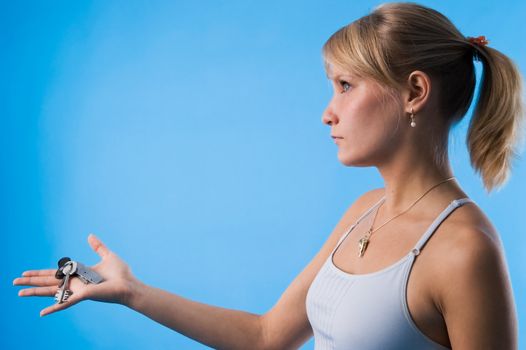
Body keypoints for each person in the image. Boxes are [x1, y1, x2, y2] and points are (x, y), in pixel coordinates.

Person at [13, 2, 523, 349]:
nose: (328, 112)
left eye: (345, 85)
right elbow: (266, 337)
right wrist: (132, 292)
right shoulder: (365, 210)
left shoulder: (464, 250)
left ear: (414, 93)